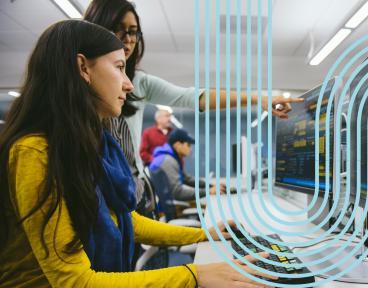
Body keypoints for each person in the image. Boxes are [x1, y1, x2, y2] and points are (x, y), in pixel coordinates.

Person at [0, 20, 274, 288]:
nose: (129, 84)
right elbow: (75, 281)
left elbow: (125, 220)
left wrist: (204, 234)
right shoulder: (35, 153)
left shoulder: (89, 145)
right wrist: (194, 275)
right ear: (83, 67)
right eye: (120, 68)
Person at [83, 0, 303, 214]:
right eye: (119, 30)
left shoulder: (138, 83)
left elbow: (193, 97)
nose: (128, 40)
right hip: (94, 198)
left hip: (129, 197)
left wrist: (259, 99)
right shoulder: (72, 95)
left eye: (134, 32)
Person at [150, 129, 225, 205]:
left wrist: (211, 186)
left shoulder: (171, 158)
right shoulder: (167, 161)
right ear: (178, 145)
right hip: (167, 210)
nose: (190, 149)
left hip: (170, 205)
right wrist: (208, 191)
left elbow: (187, 179)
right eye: (188, 145)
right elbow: (177, 192)